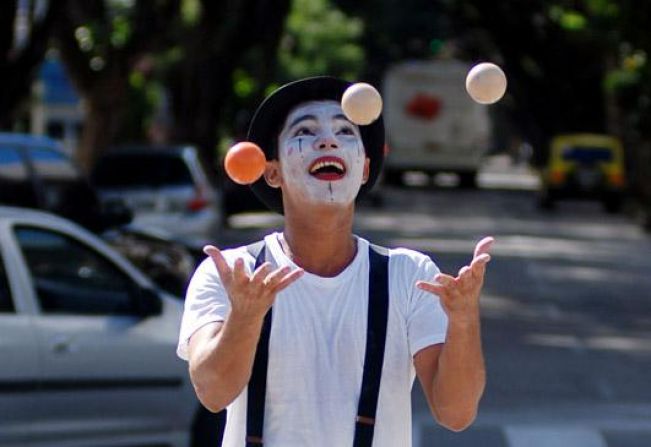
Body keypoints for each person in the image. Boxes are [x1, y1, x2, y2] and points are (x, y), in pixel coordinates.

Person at [177, 76, 493, 446]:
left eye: (345, 132)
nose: (327, 140)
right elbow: (213, 393)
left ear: (363, 169)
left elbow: (456, 414)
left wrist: (463, 319)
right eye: (305, 131)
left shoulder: (410, 276)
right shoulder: (231, 273)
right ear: (272, 171)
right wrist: (245, 317)